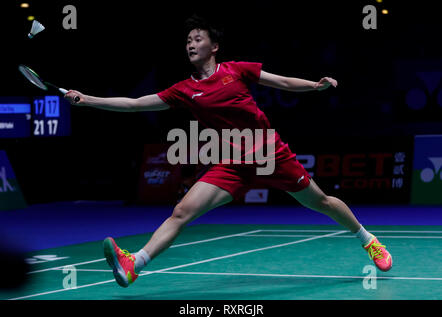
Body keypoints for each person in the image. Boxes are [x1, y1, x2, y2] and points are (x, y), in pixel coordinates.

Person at [64, 15, 392, 288]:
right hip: (232, 163)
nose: (190, 44)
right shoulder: (184, 90)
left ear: (214, 46)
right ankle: (135, 263)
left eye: (197, 38)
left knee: (320, 202)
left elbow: (282, 82)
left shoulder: (236, 70)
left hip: (268, 154)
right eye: (188, 40)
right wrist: (89, 100)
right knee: (182, 212)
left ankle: (368, 240)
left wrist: (314, 86)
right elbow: (136, 104)